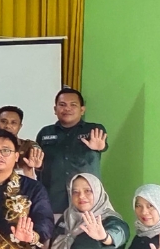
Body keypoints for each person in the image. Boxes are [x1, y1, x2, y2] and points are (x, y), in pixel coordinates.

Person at [36, 88, 108, 216]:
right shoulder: (45, 133)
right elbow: (38, 164)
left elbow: (102, 145)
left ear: (82, 109)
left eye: (73, 105)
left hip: (86, 203)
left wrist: (100, 147)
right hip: (54, 202)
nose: (67, 109)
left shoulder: (93, 130)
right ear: (55, 109)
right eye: (62, 105)